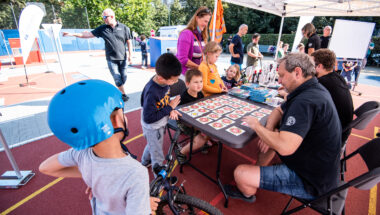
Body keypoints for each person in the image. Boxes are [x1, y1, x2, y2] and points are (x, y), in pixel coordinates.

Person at [225, 53, 341, 203]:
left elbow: (285, 147)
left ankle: (247, 194)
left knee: (240, 173)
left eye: (281, 75)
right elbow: (279, 110)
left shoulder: (305, 101)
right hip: (317, 166)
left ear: (297, 72)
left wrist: (258, 127)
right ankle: (259, 173)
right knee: (271, 140)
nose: (279, 80)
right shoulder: (311, 88)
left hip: (310, 180)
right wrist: (270, 128)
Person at [39, 79, 159, 214]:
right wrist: (144, 205)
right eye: (122, 112)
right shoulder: (136, 173)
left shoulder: (80, 155)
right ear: (115, 122)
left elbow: (45, 167)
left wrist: (94, 177)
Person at [62, 8, 133, 102]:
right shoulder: (102, 29)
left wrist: (130, 56)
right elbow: (87, 35)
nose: (104, 19)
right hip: (111, 59)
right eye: (103, 17)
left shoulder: (124, 28)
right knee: (117, 77)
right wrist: (72, 34)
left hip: (123, 58)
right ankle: (123, 94)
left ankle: (119, 87)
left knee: (123, 77)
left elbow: (129, 42)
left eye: (105, 17)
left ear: (112, 16)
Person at [140, 53, 182, 172]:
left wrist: (171, 109)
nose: (176, 82)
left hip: (158, 123)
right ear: (161, 78)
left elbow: (165, 99)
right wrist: (169, 107)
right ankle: (159, 181)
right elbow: (149, 117)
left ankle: (144, 162)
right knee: (157, 155)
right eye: (173, 80)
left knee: (152, 145)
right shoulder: (152, 92)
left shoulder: (162, 81)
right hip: (153, 126)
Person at [311, 49, 354, 142]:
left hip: (331, 137)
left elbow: (304, 101)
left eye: (311, 64)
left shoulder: (323, 83)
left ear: (319, 66)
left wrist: (286, 94)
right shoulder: (337, 77)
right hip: (342, 131)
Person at [174, 69, 209, 164]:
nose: (199, 84)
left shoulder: (200, 94)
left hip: (196, 120)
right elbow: (180, 116)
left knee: (212, 131)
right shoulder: (183, 98)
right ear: (188, 84)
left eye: (201, 81)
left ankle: (202, 142)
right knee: (201, 140)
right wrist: (199, 127)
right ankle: (180, 152)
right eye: (196, 82)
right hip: (184, 123)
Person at [176, 7, 212, 79]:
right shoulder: (186, 34)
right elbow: (183, 59)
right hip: (185, 76)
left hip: (196, 75)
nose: (206, 25)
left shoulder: (202, 36)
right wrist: (200, 68)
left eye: (207, 22)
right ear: (197, 18)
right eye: (205, 21)